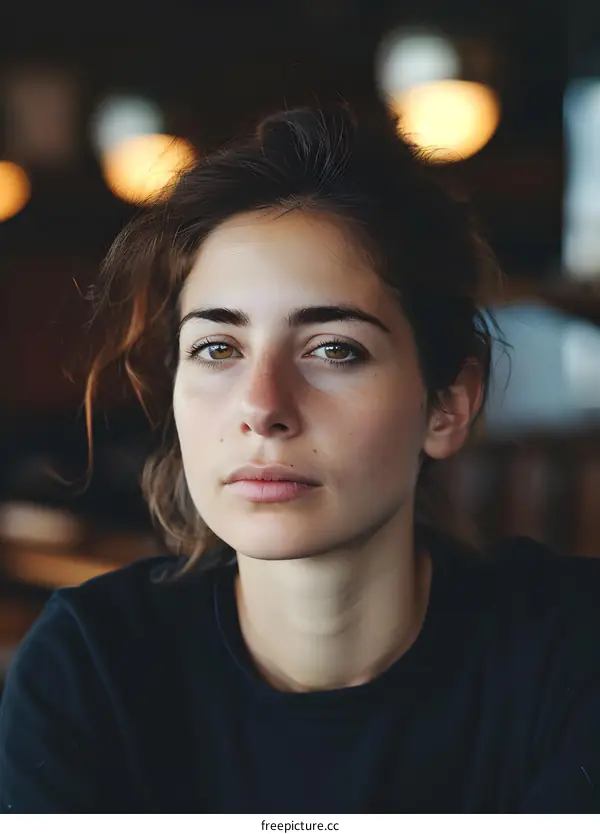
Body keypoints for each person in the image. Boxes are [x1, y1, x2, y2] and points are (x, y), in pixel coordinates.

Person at [1, 103, 600, 814]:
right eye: (218, 349)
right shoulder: (93, 667)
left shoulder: (573, 651)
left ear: (448, 404)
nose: (262, 406)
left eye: (333, 350)